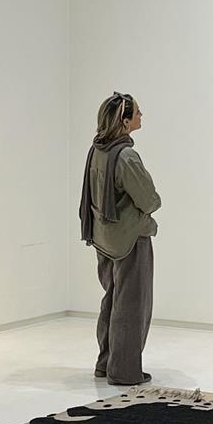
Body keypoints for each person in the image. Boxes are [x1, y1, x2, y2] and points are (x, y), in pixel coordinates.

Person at [78, 92, 160, 386]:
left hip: (103, 238)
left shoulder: (96, 150)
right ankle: (124, 372)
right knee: (132, 306)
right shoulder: (126, 156)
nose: (141, 116)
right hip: (129, 240)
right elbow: (149, 200)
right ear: (125, 122)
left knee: (112, 300)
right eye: (137, 113)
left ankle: (106, 363)